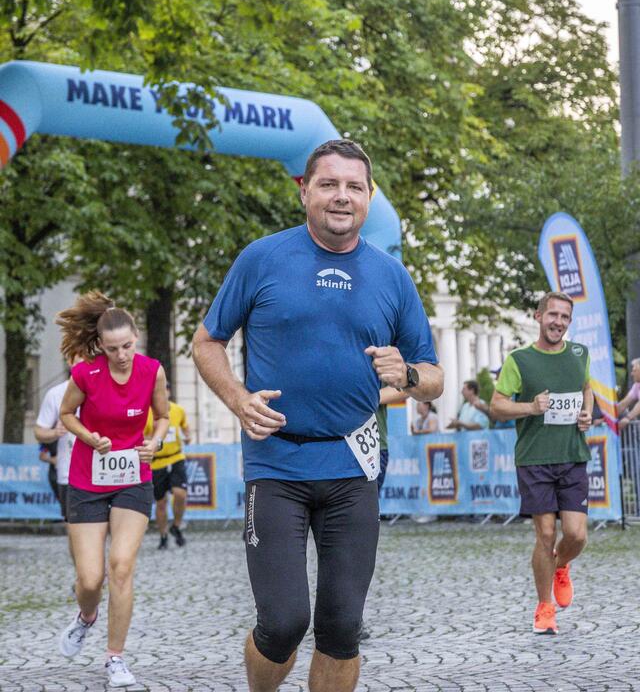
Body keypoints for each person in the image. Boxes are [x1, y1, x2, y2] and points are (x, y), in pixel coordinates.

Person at [192, 138, 444, 692]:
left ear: (370, 197)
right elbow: (207, 341)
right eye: (328, 184)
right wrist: (238, 399)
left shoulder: (391, 276)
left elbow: (433, 378)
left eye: (354, 187)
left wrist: (405, 375)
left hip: (353, 467)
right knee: (283, 622)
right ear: (303, 191)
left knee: (341, 626)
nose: (341, 196)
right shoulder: (262, 258)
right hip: (277, 465)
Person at [56, 291, 169, 689]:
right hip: (88, 480)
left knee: (121, 567)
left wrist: (154, 441)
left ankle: (114, 658)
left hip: (133, 477)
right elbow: (66, 414)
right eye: (113, 348)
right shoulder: (85, 374)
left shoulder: (152, 370)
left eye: (128, 346)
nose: (121, 355)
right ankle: (86, 617)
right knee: (90, 579)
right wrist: (90, 437)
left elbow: (163, 417)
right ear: (100, 346)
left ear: (136, 338)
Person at [490, 290, 593, 637]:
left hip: (572, 455)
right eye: (553, 315)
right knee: (546, 534)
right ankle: (544, 607)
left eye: (565, 317)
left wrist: (587, 413)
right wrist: (530, 408)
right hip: (534, 459)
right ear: (538, 317)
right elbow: (497, 405)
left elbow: (585, 388)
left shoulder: (580, 354)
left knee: (576, 535)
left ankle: (560, 565)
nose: (558, 322)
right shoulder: (519, 360)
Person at [144, 381, 192, 548]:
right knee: (161, 502)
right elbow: (143, 439)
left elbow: (186, 428)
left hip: (176, 457)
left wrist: (187, 436)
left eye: (164, 391)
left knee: (181, 494)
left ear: (169, 392)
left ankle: (176, 526)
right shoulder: (148, 414)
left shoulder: (178, 410)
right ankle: (163, 535)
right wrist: (153, 434)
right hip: (157, 463)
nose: (161, 395)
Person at [35, 378, 76, 565]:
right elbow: (39, 434)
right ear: (70, 360)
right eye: (81, 356)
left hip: (103, 473)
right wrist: (54, 433)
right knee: (74, 529)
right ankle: (83, 576)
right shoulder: (56, 393)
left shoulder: (106, 386)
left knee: (102, 529)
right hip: (67, 474)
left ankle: (97, 572)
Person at [617, 357, 640, 428]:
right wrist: (605, 419)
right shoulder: (636, 385)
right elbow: (623, 404)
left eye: (634, 370)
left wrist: (628, 417)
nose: (632, 374)